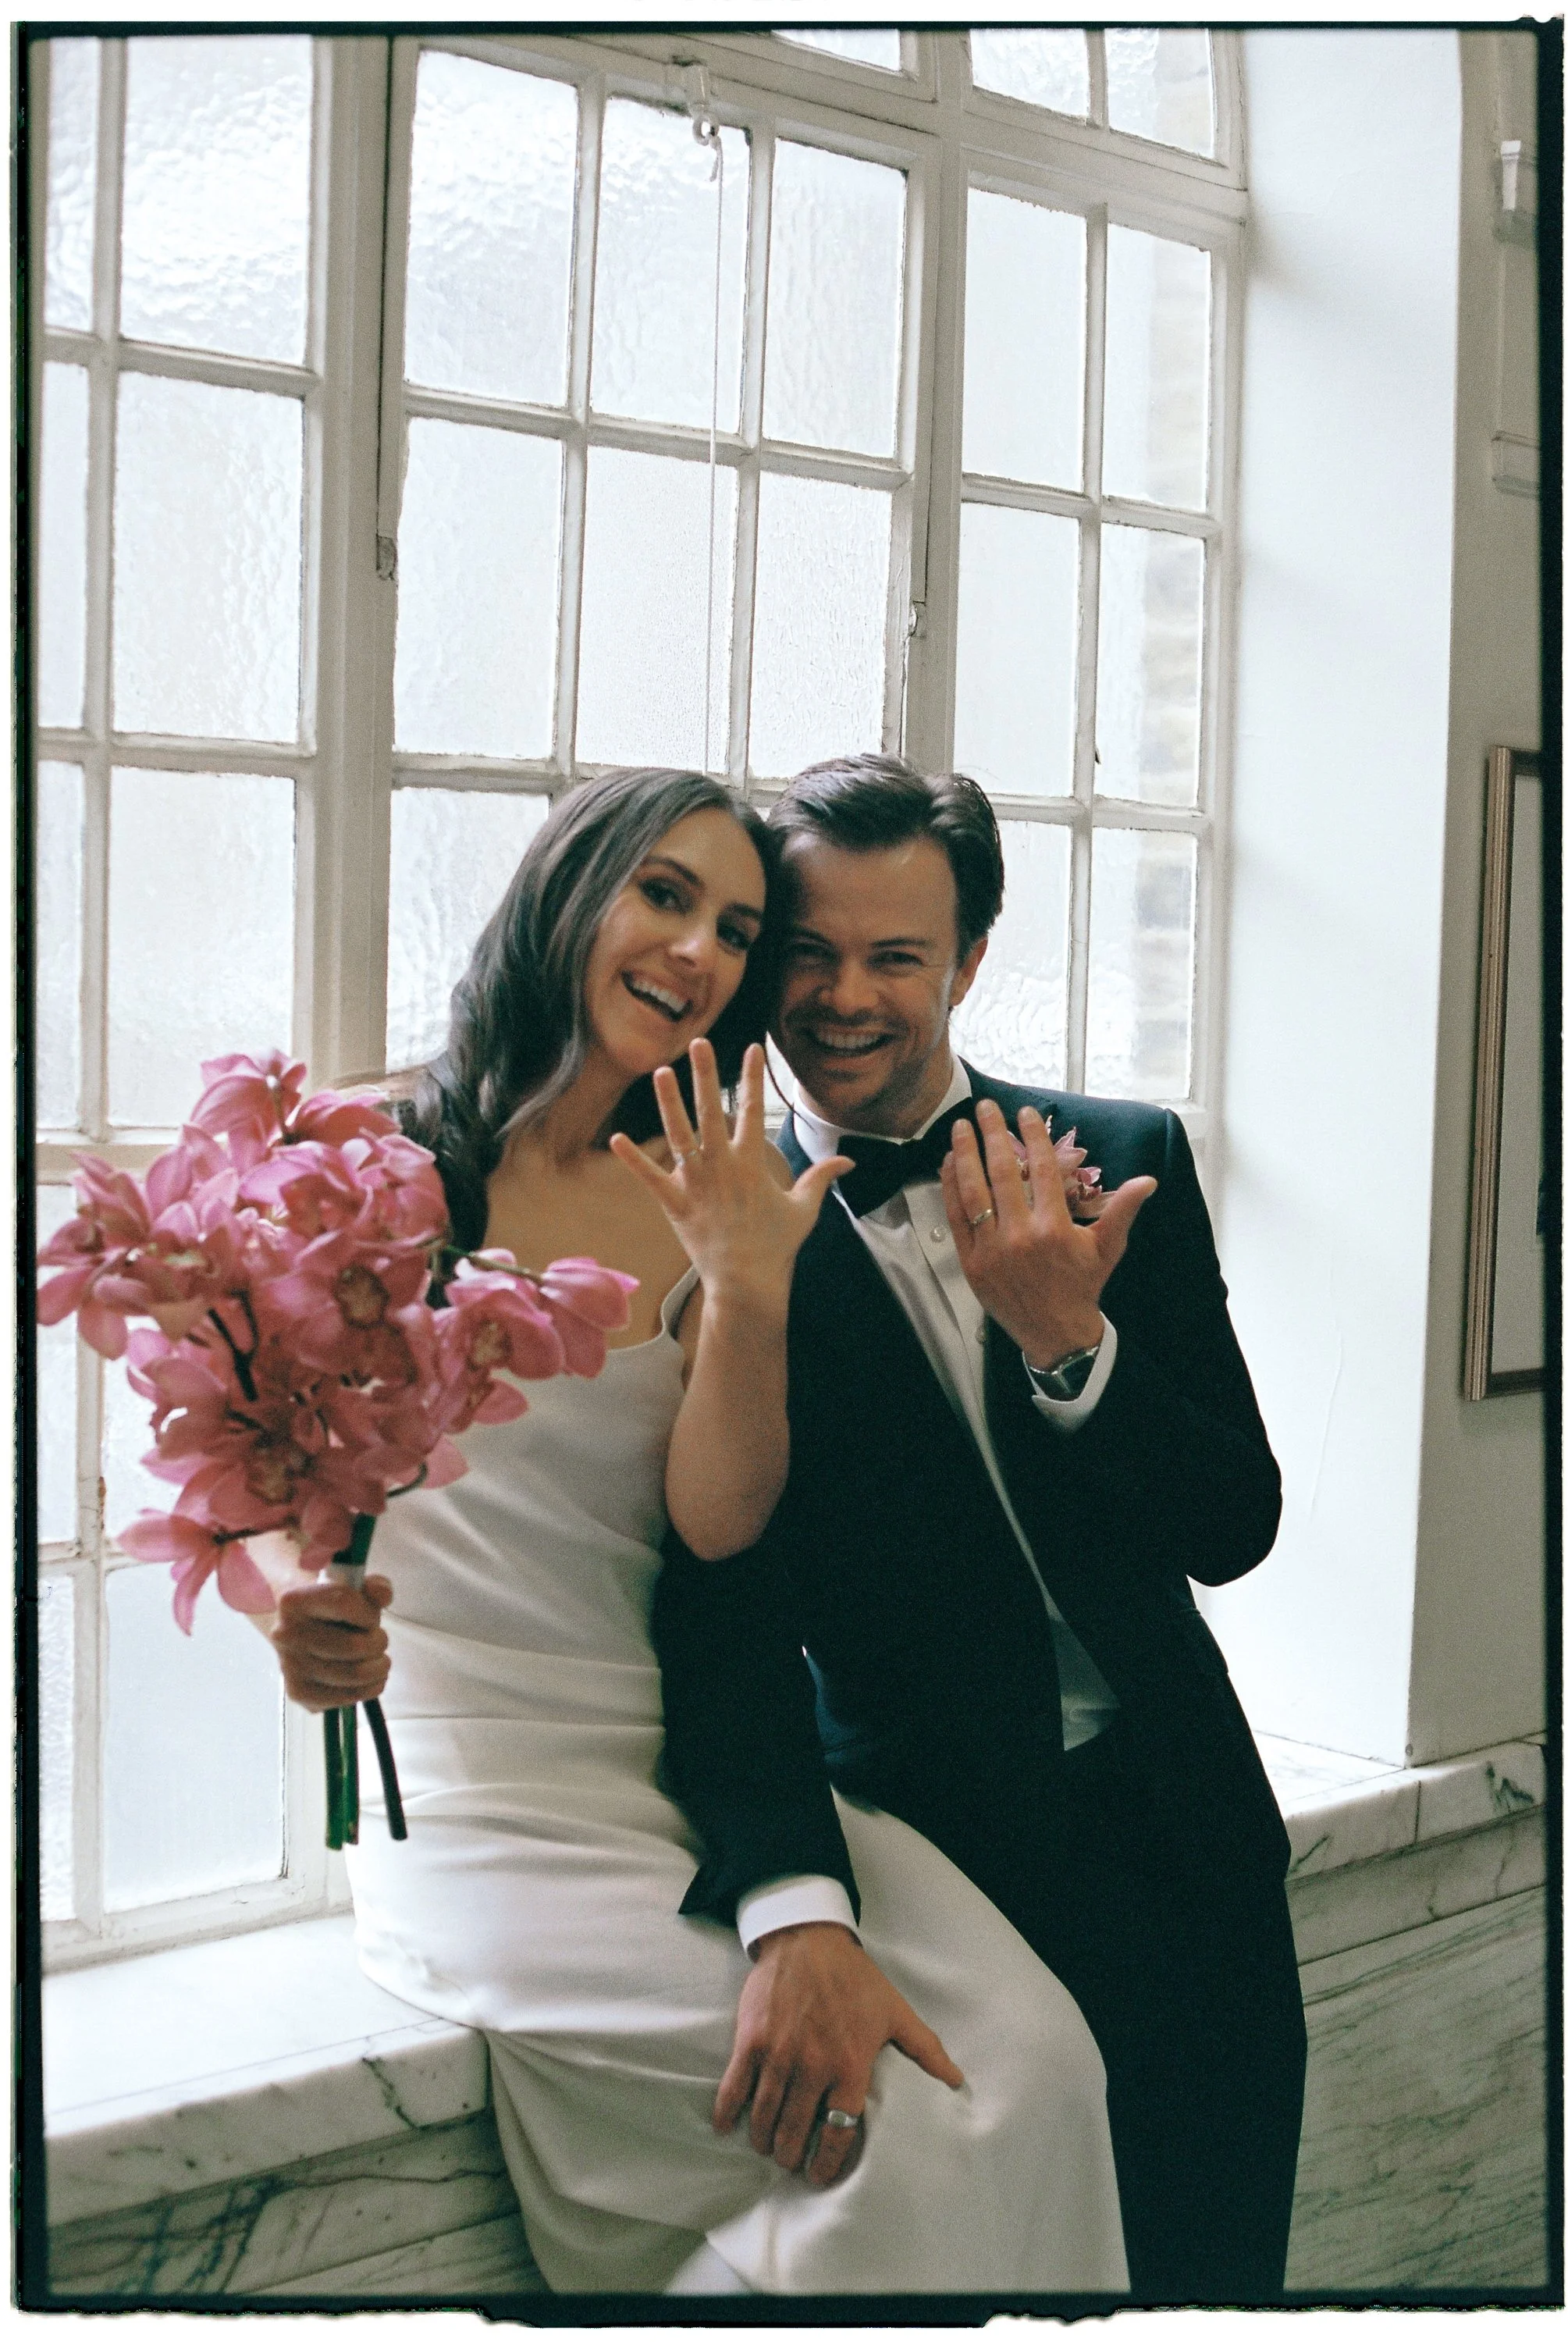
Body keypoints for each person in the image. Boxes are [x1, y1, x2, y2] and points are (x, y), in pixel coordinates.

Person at [260, 767, 1129, 2298]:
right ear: (569, 889)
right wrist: (292, 1603)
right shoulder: (371, 1167)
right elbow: (246, 1458)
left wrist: (742, 1285)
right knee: (890, 2129)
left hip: (697, 1774)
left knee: (1047, 2060)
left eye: (735, 927)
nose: (698, 952)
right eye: (665, 895)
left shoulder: (711, 1189)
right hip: (492, 1811)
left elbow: (722, 1527)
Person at [651, 753, 1309, 2306]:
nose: (840, 1000)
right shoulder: (709, 1224)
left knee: (1217, 2282)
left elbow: (1232, 1525)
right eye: (805, 952)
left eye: (894, 957)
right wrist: (788, 1900)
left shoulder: (1121, 1154)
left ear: (968, 961)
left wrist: (1071, 1350)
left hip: (1188, 1846)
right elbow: (716, 1607)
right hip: (941, 1873)